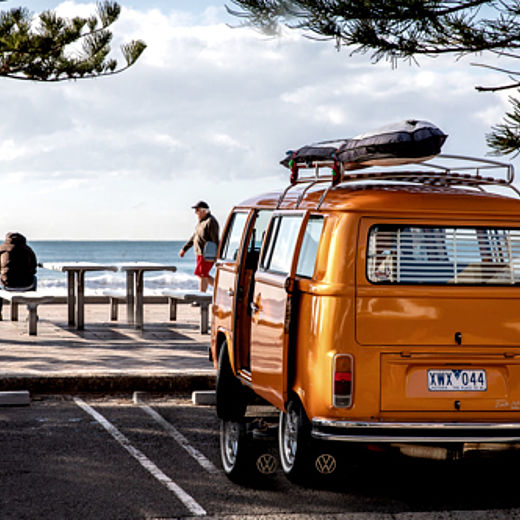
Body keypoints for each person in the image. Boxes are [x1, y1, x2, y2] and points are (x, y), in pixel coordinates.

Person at [179, 201, 219, 293]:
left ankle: (201, 297)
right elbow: (194, 237)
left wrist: (216, 255)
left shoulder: (211, 221)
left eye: (197, 210)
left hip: (207, 253)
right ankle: (221, 288)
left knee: (202, 275)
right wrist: (184, 249)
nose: (195, 213)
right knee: (201, 274)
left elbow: (215, 239)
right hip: (200, 253)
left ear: (204, 211)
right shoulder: (200, 222)